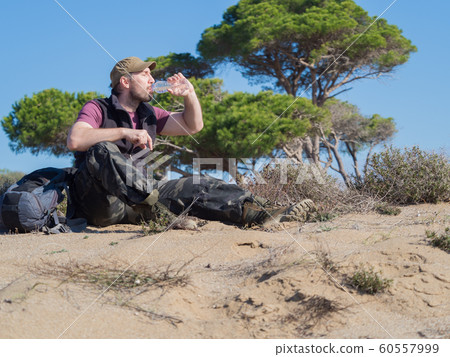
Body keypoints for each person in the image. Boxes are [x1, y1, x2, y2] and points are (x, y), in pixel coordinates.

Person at [66, 56, 315, 228]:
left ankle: (264, 212)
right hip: (100, 203)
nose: (152, 79)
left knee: (200, 184)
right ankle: (160, 214)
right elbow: (76, 140)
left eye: (152, 75)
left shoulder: (148, 114)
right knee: (102, 149)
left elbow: (192, 125)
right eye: (145, 74)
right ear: (125, 81)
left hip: (139, 202)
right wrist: (123, 132)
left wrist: (190, 94)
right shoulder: (97, 108)